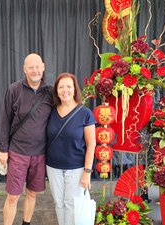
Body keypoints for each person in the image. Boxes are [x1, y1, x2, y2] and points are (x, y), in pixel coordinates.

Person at [0, 53, 53, 225]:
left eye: (37, 67)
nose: (34, 70)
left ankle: (26, 223)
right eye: (30, 67)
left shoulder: (51, 92)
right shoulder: (14, 90)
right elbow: (5, 120)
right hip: (17, 152)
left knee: (32, 193)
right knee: (13, 196)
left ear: (43, 67)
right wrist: (3, 149)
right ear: (24, 69)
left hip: (40, 154)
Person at [46, 72, 96, 225]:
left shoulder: (85, 113)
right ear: (56, 91)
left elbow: (91, 145)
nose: (65, 90)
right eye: (61, 87)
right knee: (59, 203)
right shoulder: (51, 112)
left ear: (75, 90)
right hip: (53, 167)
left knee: (71, 204)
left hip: (76, 168)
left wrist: (87, 172)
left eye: (69, 86)